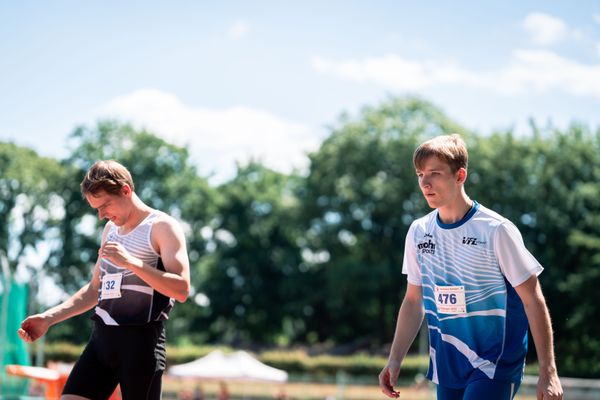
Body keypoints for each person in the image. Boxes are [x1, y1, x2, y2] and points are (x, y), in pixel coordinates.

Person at [378, 135, 563, 400]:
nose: (425, 183)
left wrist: (549, 371)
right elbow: (413, 300)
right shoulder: (419, 232)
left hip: (494, 364)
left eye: (435, 173)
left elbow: (533, 299)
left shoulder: (496, 230)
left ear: (460, 175)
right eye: (420, 174)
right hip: (447, 364)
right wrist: (395, 359)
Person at [18, 160, 191, 399]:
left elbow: (181, 289)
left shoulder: (162, 226)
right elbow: (94, 290)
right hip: (101, 343)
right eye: (96, 209)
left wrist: (131, 262)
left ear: (126, 190)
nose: (101, 215)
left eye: (106, 205)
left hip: (140, 346)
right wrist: (49, 318)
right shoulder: (111, 230)